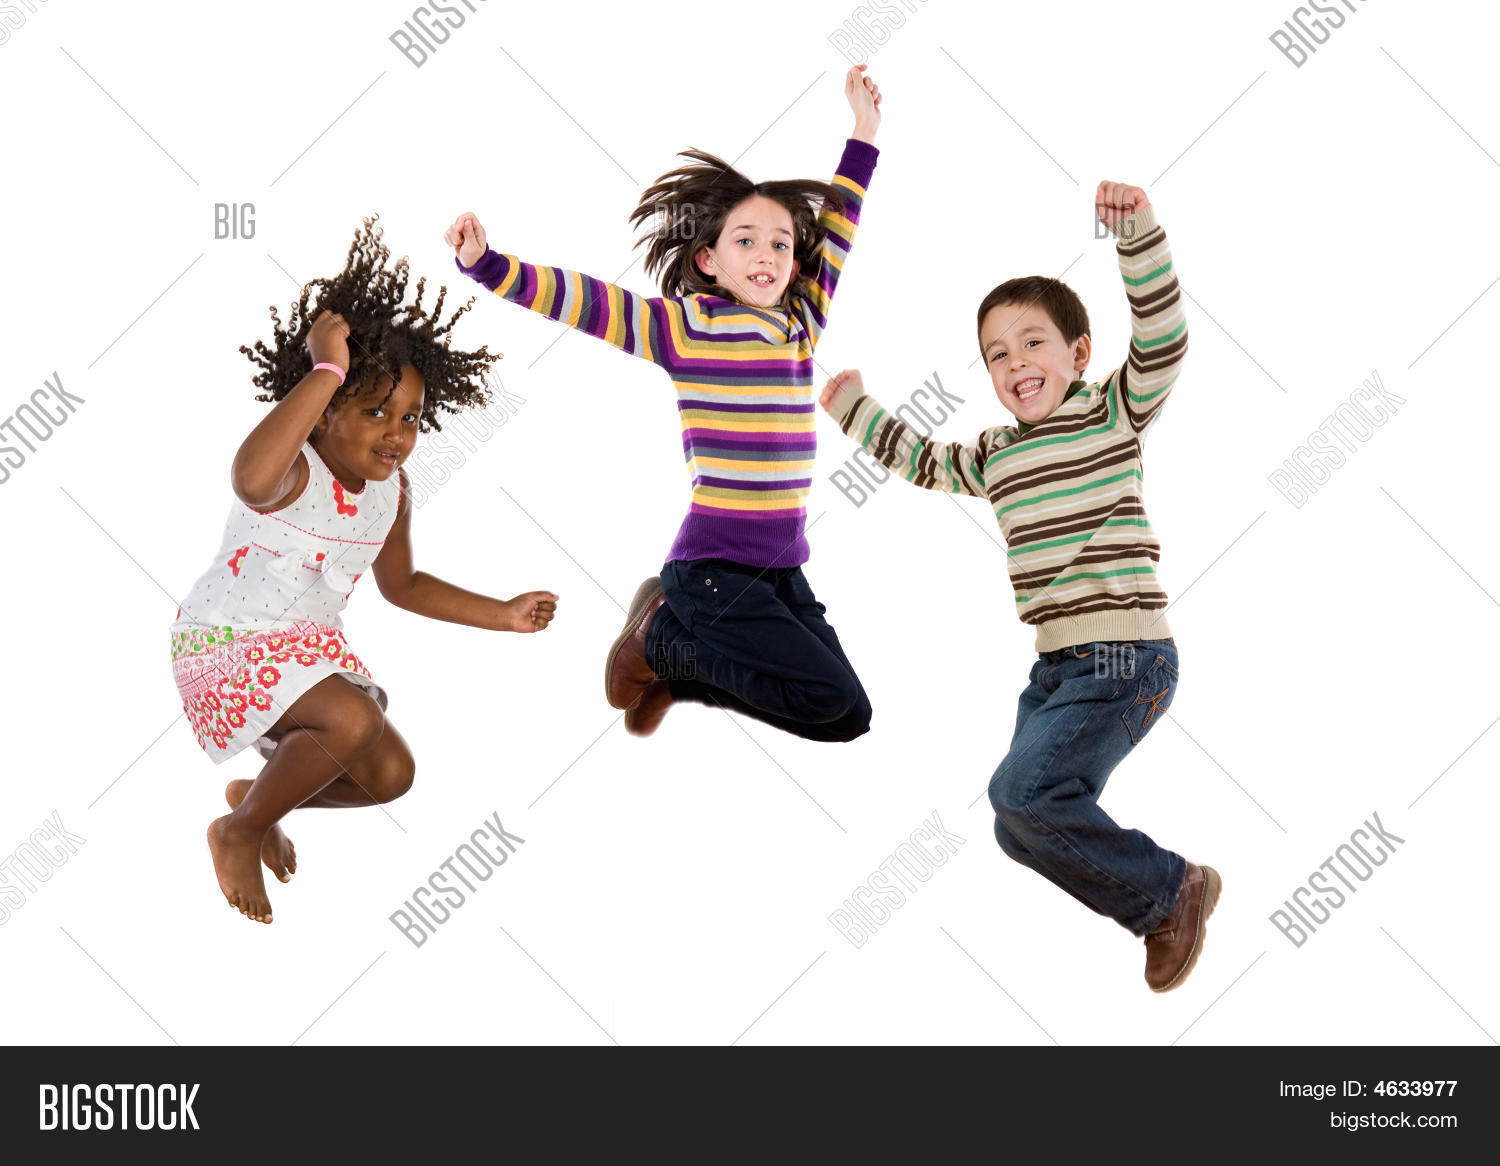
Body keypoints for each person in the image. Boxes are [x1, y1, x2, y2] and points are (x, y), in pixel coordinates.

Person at [819, 183, 1219, 991]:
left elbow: (1165, 341)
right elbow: (923, 461)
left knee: (1022, 793)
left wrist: (1136, 235)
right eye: (997, 355)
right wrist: (855, 408)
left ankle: (1172, 890)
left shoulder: (1113, 411)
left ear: (1078, 353)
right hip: (1055, 671)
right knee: (1017, 825)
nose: (1015, 364)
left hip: (1127, 655)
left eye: (1033, 344)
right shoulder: (995, 452)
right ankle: (1162, 893)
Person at [444, 65, 882, 742]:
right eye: (746, 241)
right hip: (710, 572)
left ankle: (673, 665)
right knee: (822, 693)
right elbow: (588, 301)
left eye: (780, 244)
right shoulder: (685, 326)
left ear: (796, 265)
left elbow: (842, 222)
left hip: (781, 569)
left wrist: (864, 130)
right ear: (708, 260)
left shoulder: (801, 320)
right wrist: (490, 265)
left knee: (847, 716)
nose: (766, 255)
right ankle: (661, 644)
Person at [172, 218, 558, 924]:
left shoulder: (392, 493)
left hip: (302, 653)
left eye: (411, 417)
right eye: (376, 410)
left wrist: (500, 612)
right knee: (353, 718)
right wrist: (326, 369)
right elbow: (247, 479)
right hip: (225, 646)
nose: (397, 433)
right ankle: (241, 830)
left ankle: (258, 802)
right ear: (321, 412)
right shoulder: (292, 470)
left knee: (389, 771)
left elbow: (402, 585)